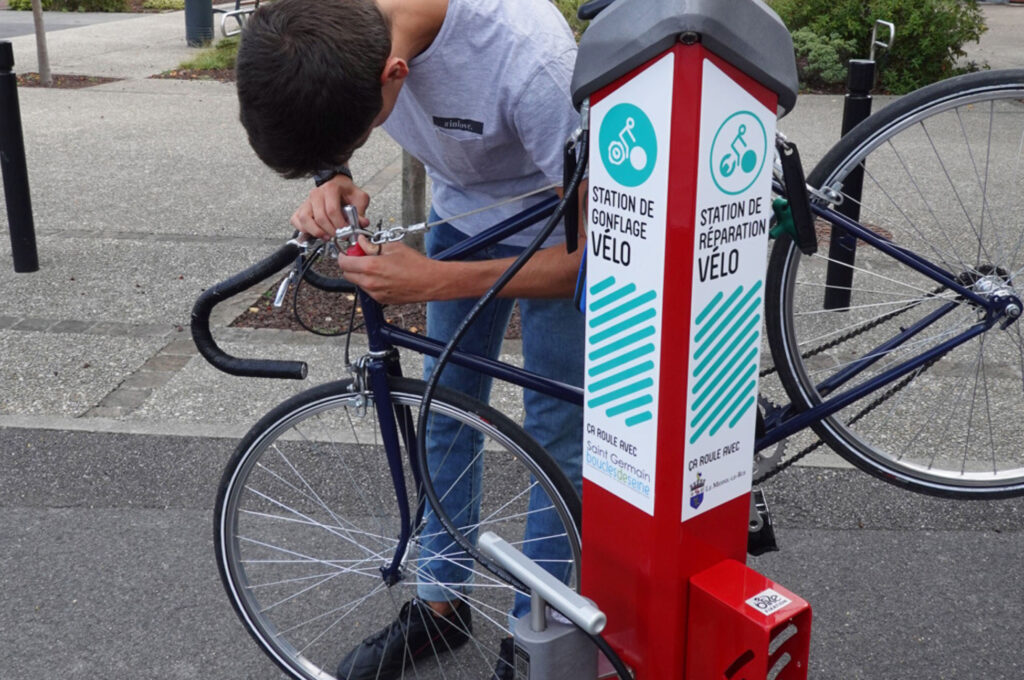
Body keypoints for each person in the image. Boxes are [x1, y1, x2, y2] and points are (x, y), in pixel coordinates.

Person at [235, 0, 585, 677]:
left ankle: (537, 635)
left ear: (395, 72)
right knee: (443, 413)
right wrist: (330, 176)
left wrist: (435, 281)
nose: (366, 141)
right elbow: (315, 96)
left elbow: (605, 249)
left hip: (561, 234)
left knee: (557, 434)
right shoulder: (329, 22)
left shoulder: (531, 60)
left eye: (364, 132)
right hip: (462, 215)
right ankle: (440, 604)